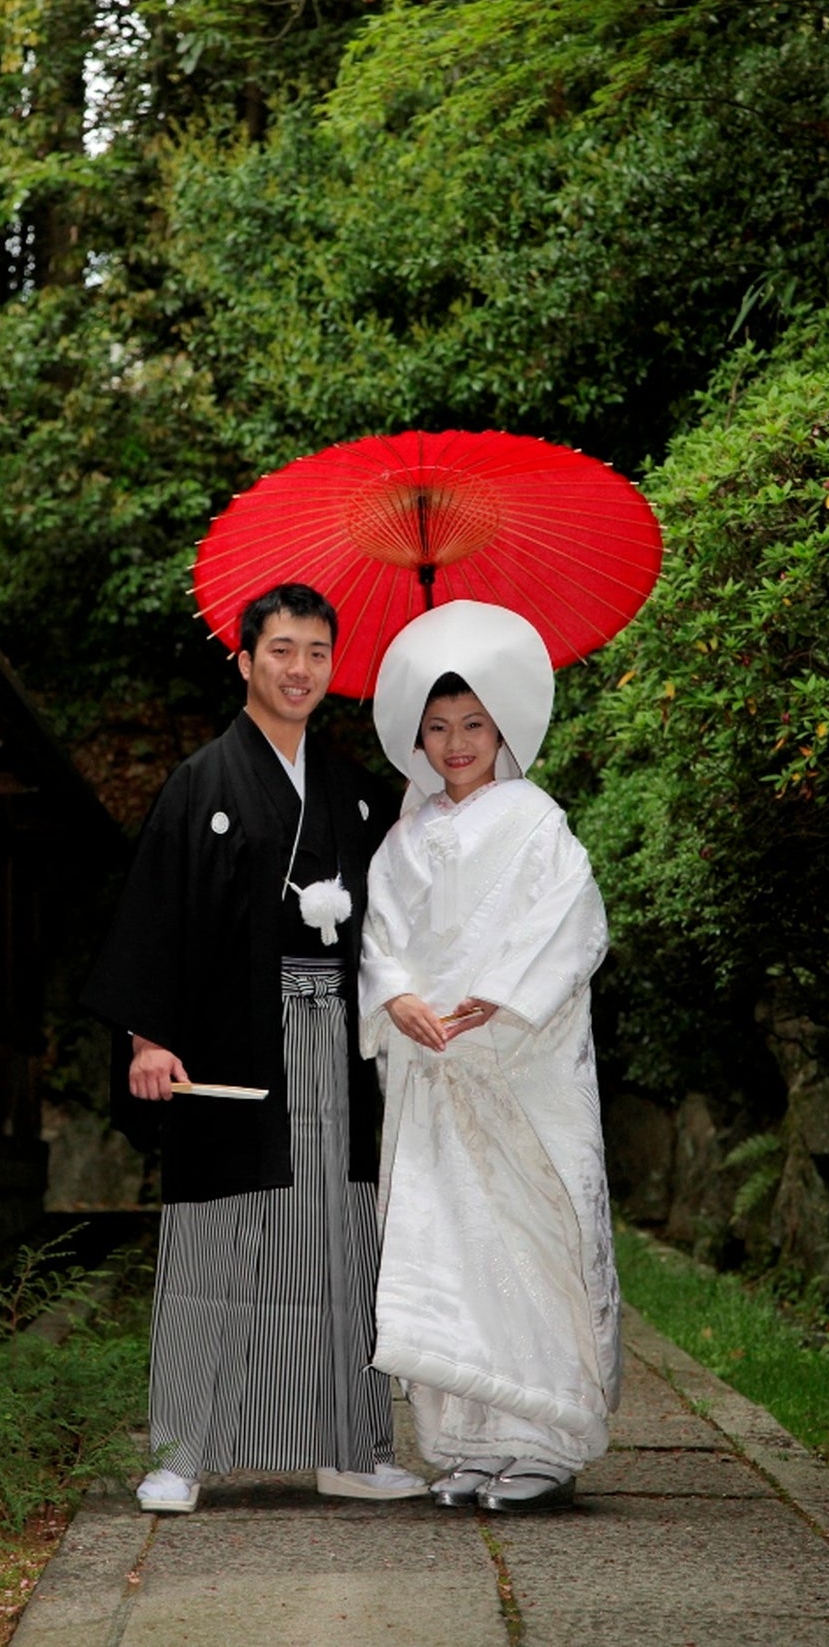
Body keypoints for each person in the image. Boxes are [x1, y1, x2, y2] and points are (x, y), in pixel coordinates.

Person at [83, 583, 427, 1513]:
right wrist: (149, 1036)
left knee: (339, 1237)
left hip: (338, 1048)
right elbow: (156, 912)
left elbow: (402, 922)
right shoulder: (201, 784)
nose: (299, 669)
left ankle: (350, 1445)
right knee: (217, 1243)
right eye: (282, 649)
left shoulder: (357, 796)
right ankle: (184, 1453)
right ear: (244, 660)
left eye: (317, 652)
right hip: (234, 1043)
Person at [359, 600, 622, 1515]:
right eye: (438, 727)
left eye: (473, 723)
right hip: (433, 1076)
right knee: (446, 1246)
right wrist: (396, 996)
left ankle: (545, 1437)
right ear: (418, 739)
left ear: (501, 727)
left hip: (517, 1072)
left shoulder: (537, 822)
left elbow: (572, 923)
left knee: (527, 1240)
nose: (457, 741)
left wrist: (501, 1001)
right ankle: (466, 1440)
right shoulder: (401, 840)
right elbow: (380, 936)